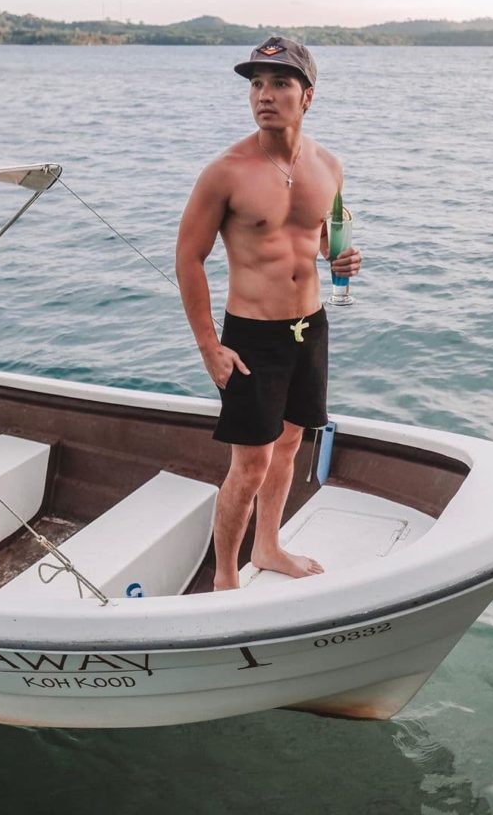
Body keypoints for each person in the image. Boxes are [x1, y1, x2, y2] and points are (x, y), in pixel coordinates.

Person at [175, 36, 362, 590]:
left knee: (290, 446)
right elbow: (188, 258)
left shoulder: (329, 167)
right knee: (250, 463)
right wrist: (209, 347)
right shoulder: (226, 172)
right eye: (257, 84)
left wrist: (340, 256)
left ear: (308, 96)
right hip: (252, 335)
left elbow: (323, 237)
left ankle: (269, 545)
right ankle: (225, 579)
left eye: (280, 83)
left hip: (310, 326)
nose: (264, 94)